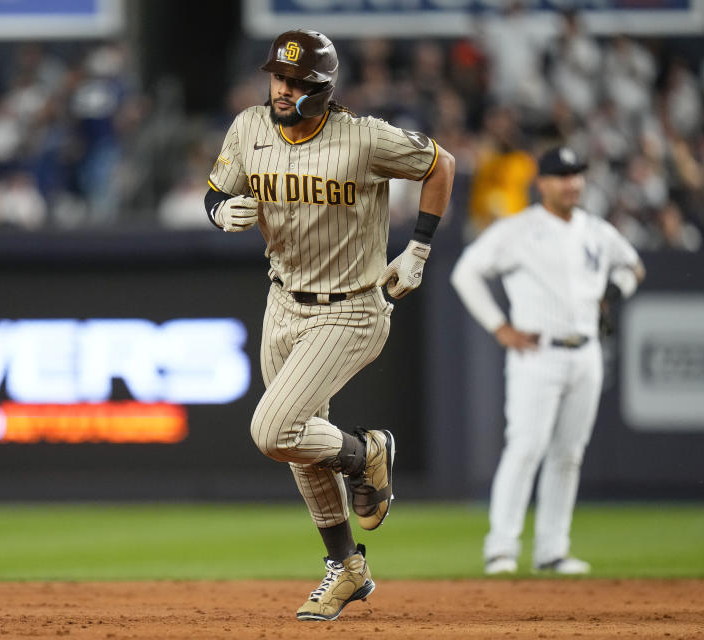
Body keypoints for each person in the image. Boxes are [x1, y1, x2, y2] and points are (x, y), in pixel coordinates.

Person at [205, 29, 454, 619]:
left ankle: (366, 452)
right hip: (283, 301)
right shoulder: (248, 128)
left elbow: (440, 163)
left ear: (322, 85)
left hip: (352, 306)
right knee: (298, 445)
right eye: (278, 77)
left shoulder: (364, 138)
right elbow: (216, 192)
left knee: (274, 431)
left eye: (296, 81)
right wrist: (220, 212)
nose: (283, 89)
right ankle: (347, 568)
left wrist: (418, 249)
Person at [450, 146, 644, 575]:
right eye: (561, 175)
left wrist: (612, 295)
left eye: (576, 174)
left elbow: (633, 267)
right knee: (526, 447)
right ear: (542, 184)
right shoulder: (519, 229)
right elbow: (465, 272)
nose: (571, 182)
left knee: (569, 454)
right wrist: (500, 326)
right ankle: (501, 548)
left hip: (587, 352)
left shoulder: (596, 230)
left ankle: (552, 550)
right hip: (537, 352)